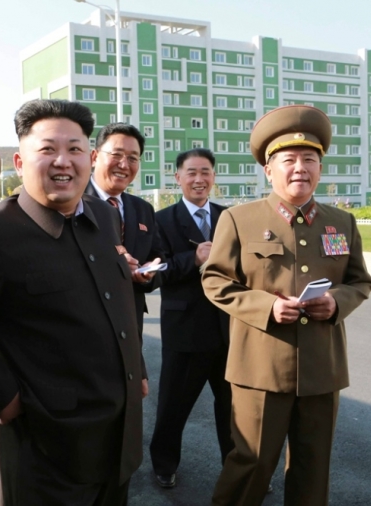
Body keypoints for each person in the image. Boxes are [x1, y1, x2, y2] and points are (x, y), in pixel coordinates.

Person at [0, 99, 144, 505]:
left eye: (75, 149)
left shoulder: (102, 215)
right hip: (47, 442)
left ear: (90, 158)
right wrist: (3, 398)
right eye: (47, 149)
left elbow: (117, 297)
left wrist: (137, 369)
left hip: (118, 429)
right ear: (20, 163)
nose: (63, 161)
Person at [202, 105, 371, 506]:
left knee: (313, 469)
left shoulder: (341, 222)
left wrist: (336, 303)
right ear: (269, 169)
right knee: (251, 464)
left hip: (322, 369)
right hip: (260, 367)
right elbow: (214, 280)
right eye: (289, 160)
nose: (301, 168)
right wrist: (265, 306)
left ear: (320, 167)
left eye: (310, 159)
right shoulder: (238, 219)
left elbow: (360, 280)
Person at [149, 148, 232, 489]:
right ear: (178, 178)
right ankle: (164, 465)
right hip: (185, 331)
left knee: (234, 410)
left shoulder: (230, 218)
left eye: (206, 172)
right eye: (192, 172)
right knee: (173, 405)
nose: (199, 179)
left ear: (214, 176)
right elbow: (155, 271)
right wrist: (192, 258)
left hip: (228, 329)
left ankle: (238, 468)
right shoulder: (160, 220)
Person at [85, 122, 165, 395]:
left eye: (133, 158)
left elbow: (159, 257)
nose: (124, 164)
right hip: (84, 329)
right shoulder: (73, 201)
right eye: (116, 155)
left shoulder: (141, 209)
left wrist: (150, 273)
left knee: (129, 412)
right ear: (95, 157)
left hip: (130, 329)